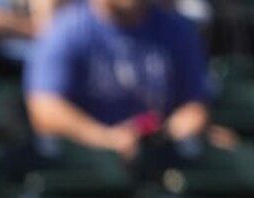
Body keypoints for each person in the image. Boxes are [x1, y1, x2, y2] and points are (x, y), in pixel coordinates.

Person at [22, 0, 237, 163]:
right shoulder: (68, 30)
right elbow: (45, 110)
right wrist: (107, 138)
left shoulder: (177, 31)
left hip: (158, 159)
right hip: (86, 163)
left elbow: (194, 106)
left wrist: (166, 132)